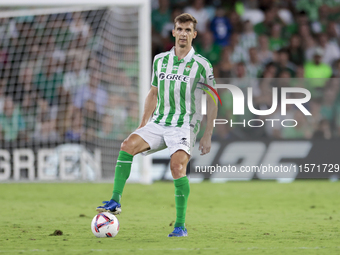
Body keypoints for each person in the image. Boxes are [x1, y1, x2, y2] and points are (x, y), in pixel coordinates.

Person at [96, 13, 217, 237]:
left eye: (187, 30)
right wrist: (142, 125)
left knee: (176, 167)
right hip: (159, 122)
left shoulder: (202, 65)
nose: (183, 34)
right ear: (173, 32)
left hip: (184, 125)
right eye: (179, 29)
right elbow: (153, 93)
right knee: (127, 145)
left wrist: (208, 133)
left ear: (194, 34)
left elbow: (212, 99)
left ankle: (180, 226)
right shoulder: (160, 60)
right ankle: (115, 200)